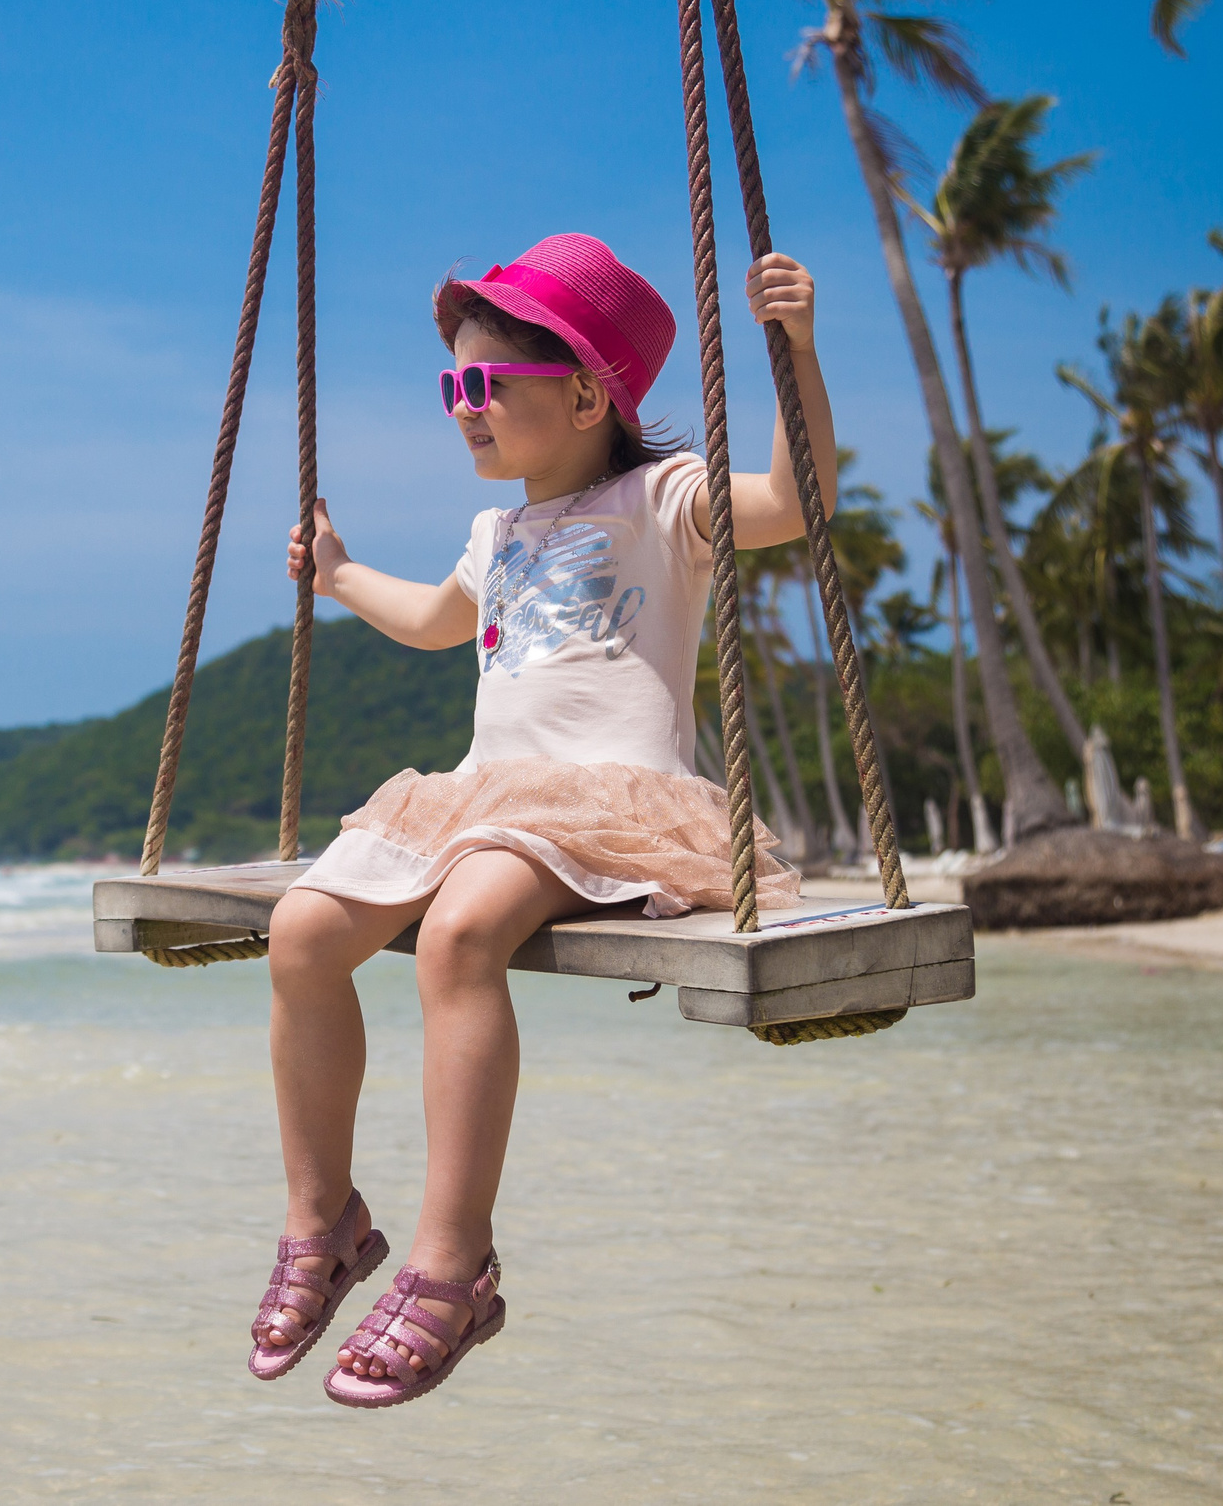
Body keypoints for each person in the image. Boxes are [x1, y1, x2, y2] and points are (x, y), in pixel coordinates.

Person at [248, 233, 834, 1407]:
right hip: (485, 790)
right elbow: (430, 620)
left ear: (582, 393)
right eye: (451, 384)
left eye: (485, 384)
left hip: (608, 799)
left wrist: (795, 355)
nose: (463, 407)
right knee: (302, 932)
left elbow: (797, 501)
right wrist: (339, 576)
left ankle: (452, 1260)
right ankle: (327, 1220)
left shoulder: (663, 499)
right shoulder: (493, 536)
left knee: (465, 934)